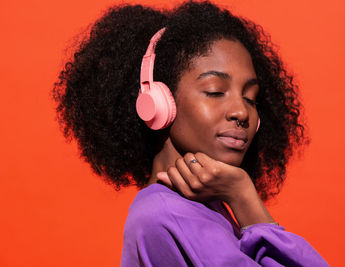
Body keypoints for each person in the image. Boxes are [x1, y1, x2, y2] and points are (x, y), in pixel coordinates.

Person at [52, 1, 329, 266]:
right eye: (215, 91)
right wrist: (244, 196)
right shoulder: (170, 217)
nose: (242, 113)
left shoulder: (198, 209)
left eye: (251, 98)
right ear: (158, 103)